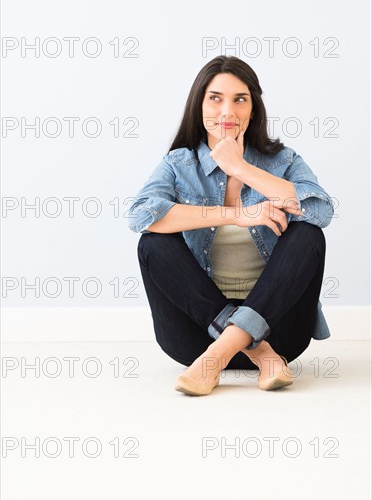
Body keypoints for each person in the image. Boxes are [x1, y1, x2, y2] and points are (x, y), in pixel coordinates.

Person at [128, 55, 334, 396]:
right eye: (215, 98)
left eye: (240, 99)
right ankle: (259, 354)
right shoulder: (179, 164)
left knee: (308, 234)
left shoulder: (282, 161)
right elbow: (140, 215)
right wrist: (237, 214)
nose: (228, 111)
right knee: (153, 242)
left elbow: (320, 210)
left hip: (280, 329)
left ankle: (219, 357)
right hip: (195, 337)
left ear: (253, 109)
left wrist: (239, 167)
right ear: (199, 106)